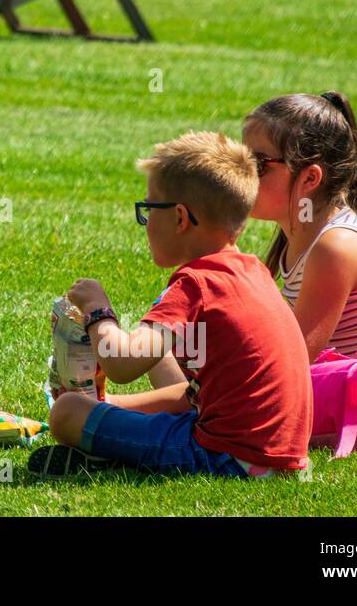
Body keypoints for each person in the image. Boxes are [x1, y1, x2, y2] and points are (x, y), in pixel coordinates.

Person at [32, 131, 312, 479]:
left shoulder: (196, 284)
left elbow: (121, 365)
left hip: (226, 458)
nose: (146, 221)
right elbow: (189, 395)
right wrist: (110, 407)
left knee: (67, 412)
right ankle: (109, 439)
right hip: (276, 458)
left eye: (148, 209)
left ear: (180, 218)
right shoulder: (251, 272)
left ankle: (107, 451)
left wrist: (98, 312)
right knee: (159, 351)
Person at [242, 91, 357, 362]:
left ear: (310, 178)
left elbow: (288, 365)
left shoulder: (335, 247)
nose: (239, 173)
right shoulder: (304, 233)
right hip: (346, 393)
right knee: (168, 333)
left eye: (258, 164)